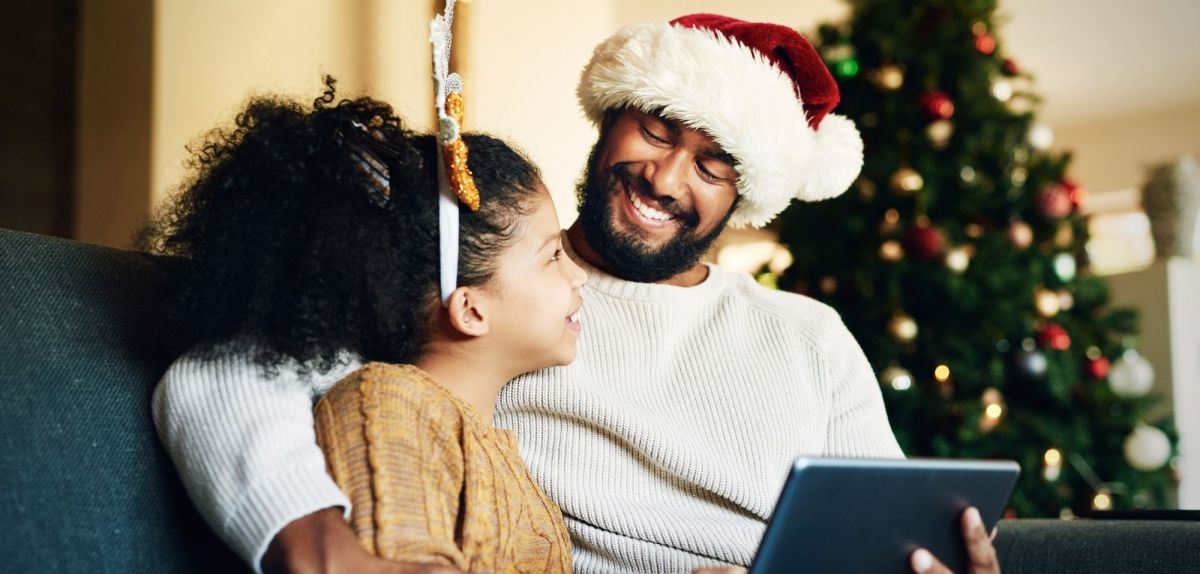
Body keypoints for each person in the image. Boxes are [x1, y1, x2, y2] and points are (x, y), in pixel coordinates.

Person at [153, 14, 1000, 574]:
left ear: (744, 200)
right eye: (657, 129)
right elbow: (226, 370)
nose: (665, 178)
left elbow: (891, 526)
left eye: (712, 165)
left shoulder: (810, 335)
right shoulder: (477, 285)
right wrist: (316, 544)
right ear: (609, 119)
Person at [146, 76, 588, 572]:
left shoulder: (495, 443)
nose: (579, 276)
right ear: (470, 309)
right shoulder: (389, 404)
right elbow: (219, 374)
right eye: (553, 256)